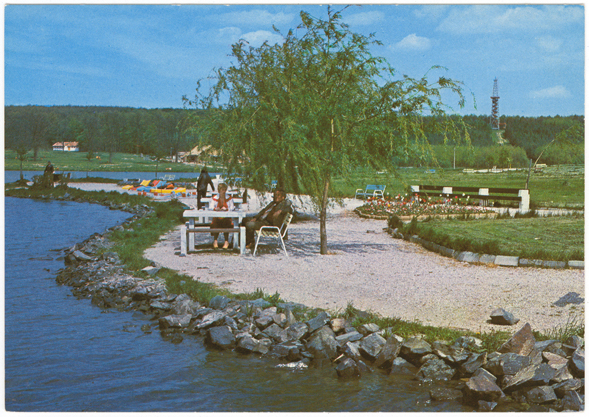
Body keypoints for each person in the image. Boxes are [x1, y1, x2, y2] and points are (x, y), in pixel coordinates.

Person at [210, 183, 234, 249]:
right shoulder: (214, 198)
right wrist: (215, 209)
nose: (224, 191)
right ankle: (215, 241)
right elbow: (210, 207)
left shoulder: (229, 198)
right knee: (215, 222)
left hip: (226, 217)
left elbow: (232, 207)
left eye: (225, 190)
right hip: (217, 217)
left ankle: (226, 241)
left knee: (227, 222)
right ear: (219, 190)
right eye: (222, 190)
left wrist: (227, 209)